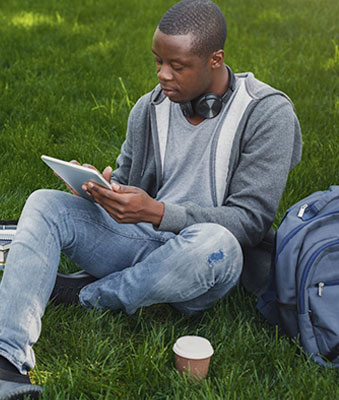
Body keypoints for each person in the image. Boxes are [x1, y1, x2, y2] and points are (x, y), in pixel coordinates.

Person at [0, 0, 302, 398]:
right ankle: (8, 361)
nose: (163, 75)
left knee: (218, 243)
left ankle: (86, 295)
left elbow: (249, 222)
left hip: (204, 263)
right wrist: (100, 189)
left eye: (177, 66)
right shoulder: (149, 108)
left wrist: (158, 212)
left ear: (216, 59)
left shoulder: (266, 113)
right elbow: (127, 180)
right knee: (43, 202)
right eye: (158, 61)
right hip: (143, 241)